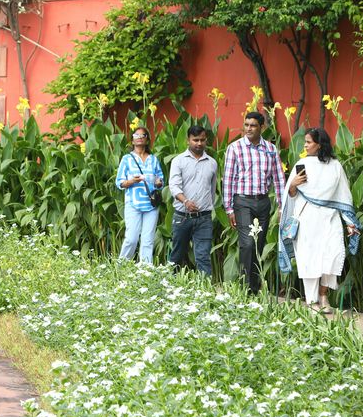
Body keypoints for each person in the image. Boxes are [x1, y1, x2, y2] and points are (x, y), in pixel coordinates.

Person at [281, 127, 361, 312]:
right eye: (305, 142)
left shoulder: (335, 166)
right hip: (307, 219)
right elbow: (291, 195)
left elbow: (343, 195)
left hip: (330, 218)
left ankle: (324, 297)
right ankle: (312, 301)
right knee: (309, 259)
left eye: (309, 142)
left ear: (319, 144)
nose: (305, 145)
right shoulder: (302, 164)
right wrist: (292, 185)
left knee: (331, 256)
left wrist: (349, 222)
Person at [223, 112, 281, 293]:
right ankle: (246, 288)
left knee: (258, 245)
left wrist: (281, 205)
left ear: (262, 127)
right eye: (246, 124)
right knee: (248, 243)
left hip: (263, 202)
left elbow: (278, 178)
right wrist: (229, 209)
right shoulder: (235, 148)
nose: (248, 128)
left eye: (253, 125)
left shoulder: (270, 149)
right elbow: (228, 179)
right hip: (243, 202)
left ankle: (254, 288)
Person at [168, 124, 219, 275]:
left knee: (203, 256)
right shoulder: (178, 161)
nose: (199, 143)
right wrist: (186, 202)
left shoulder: (212, 163)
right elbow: (174, 186)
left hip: (204, 218)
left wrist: (207, 207)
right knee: (177, 255)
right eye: (195, 140)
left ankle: (205, 287)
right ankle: (169, 284)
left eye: (202, 140)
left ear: (206, 140)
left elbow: (212, 189)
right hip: (182, 217)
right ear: (188, 140)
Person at [115, 126, 165, 263]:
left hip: (151, 204)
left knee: (148, 240)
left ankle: (145, 270)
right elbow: (119, 182)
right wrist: (132, 181)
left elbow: (161, 180)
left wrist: (159, 182)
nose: (139, 138)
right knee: (131, 239)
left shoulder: (153, 159)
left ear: (147, 140)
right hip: (133, 203)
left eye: (143, 135)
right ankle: (121, 267)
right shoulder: (127, 159)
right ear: (132, 140)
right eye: (136, 135)